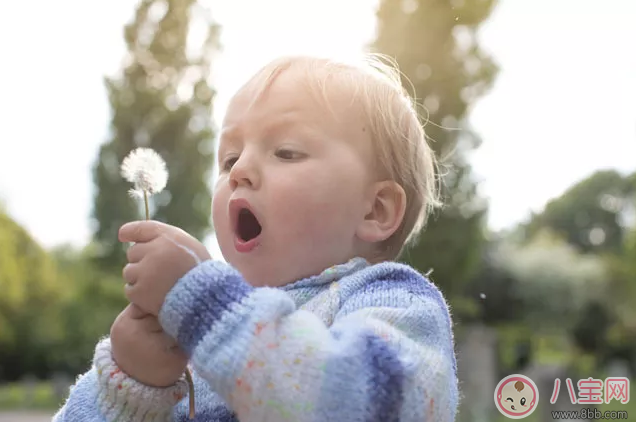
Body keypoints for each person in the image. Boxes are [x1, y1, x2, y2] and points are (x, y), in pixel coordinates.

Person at [53, 54, 459, 422]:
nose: (239, 170)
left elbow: (363, 407)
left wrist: (203, 302)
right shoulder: (188, 339)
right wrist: (130, 388)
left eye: (285, 151)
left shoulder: (396, 305)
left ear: (376, 210)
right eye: (229, 158)